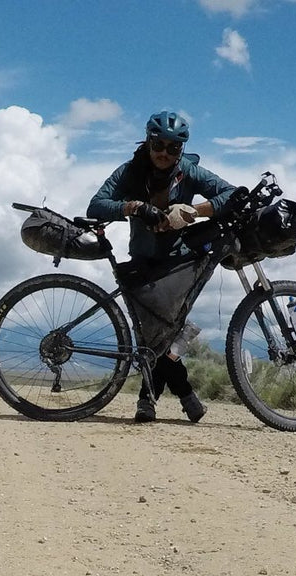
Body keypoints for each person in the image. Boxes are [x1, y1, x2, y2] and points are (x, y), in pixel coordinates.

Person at [86, 110, 237, 423]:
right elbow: (96, 205)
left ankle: (149, 401)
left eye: (173, 148)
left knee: (157, 339)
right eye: (158, 145)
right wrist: (133, 207)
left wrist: (193, 211)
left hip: (177, 261)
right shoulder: (129, 172)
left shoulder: (189, 172)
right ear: (148, 141)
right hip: (143, 260)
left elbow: (231, 194)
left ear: (181, 150)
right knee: (153, 340)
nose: (164, 154)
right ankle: (182, 398)